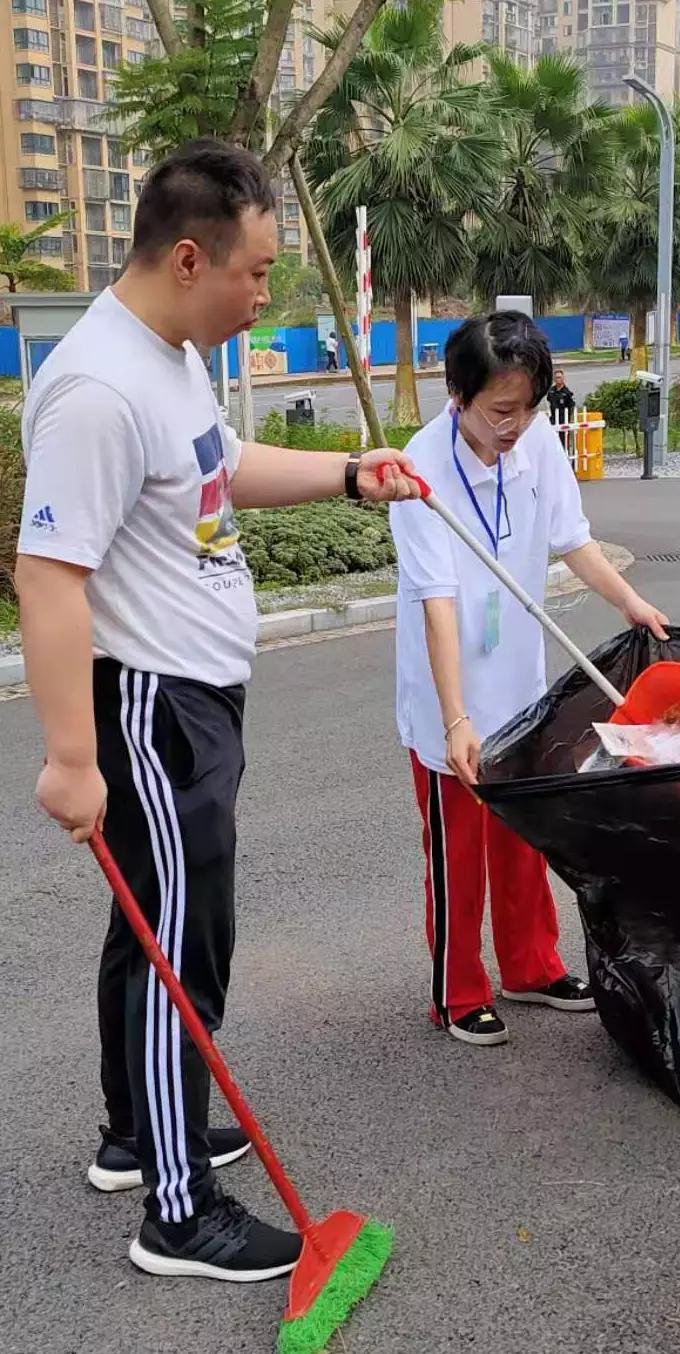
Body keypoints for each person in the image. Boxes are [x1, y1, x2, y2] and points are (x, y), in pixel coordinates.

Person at [15, 138, 418, 1282]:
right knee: (177, 946)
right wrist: (70, 758)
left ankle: (137, 1133)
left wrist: (350, 474)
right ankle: (178, 1212)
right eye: (253, 273)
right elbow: (49, 575)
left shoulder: (169, 355)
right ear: (188, 257)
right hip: (151, 707)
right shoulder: (97, 387)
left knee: (159, 921)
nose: (263, 296)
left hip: (191, 699)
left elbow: (220, 462)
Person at [389, 311, 669, 1047]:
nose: (516, 425)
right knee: (458, 853)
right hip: (448, 699)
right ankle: (458, 991)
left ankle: (531, 967)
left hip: (520, 684)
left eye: (528, 407)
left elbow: (571, 538)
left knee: (523, 836)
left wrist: (632, 602)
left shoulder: (538, 444)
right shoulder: (423, 471)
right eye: (500, 411)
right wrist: (454, 718)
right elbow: (438, 603)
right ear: (457, 395)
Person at [546, 368, 576, 448]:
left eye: (560, 377)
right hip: (553, 418)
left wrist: (570, 419)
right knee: (552, 440)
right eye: (556, 377)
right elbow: (549, 400)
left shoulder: (567, 393)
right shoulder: (551, 391)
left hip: (563, 419)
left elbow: (571, 406)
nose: (558, 379)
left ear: (563, 379)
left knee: (563, 441)